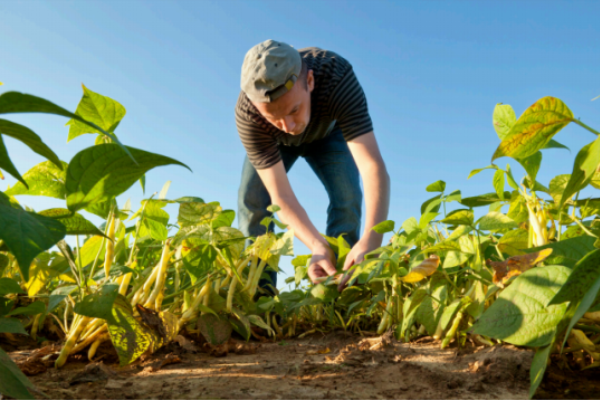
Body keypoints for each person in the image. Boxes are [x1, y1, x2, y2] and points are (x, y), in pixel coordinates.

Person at [236, 39, 390, 291]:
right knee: (251, 200)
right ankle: (259, 297)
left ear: (309, 81)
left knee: (348, 195)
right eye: (274, 117)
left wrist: (372, 241)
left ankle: (340, 291)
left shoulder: (337, 77)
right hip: (274, 144)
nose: (289, 127)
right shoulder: (248, 115)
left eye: (294, 110)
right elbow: (280, 197)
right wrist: (316, 245)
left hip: (329, 135)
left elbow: (372, 167)